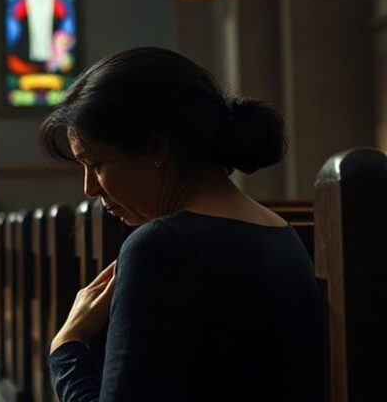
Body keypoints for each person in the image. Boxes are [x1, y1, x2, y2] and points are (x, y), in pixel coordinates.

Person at [38, 47, 323, 401]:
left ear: (157, 148)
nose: (89, 188)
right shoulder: (281, 232)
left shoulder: (163, 247)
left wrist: (66, 347)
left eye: (96, 164)